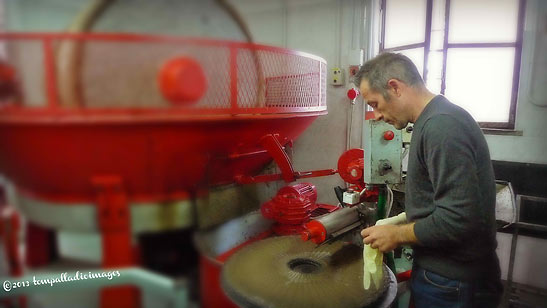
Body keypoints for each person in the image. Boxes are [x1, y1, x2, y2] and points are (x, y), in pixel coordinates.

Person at [356, 53, 503, 308]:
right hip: (447, 275)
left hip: (451, 282)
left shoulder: (441, 126)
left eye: (375, 104)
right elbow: (448, 202)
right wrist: (405, 217)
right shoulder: (433, 120)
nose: (376, 116)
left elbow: (460, 219)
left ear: (395, 87)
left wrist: (397, 235)